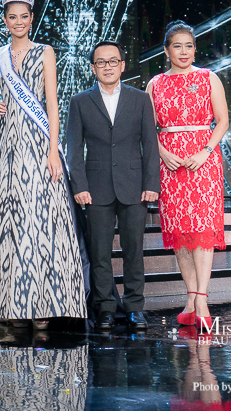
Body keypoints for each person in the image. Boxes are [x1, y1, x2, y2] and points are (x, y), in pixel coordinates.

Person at [0, 0, 86, 330]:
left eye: (24, 17)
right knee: (11, 219)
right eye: (12, 17)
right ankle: (16, 303)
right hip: (5, 144)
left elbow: (52, 103)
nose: (18, 22)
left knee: (41, 218)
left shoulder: (45, 51)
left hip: (37, 140)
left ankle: (45, 302)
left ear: (32, 19)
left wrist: (53, 149)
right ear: (4, 20)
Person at [65, 40, 160, 331]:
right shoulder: (80, 101)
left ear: (122, 65)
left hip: (134, 186)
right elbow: (73, 148)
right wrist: (79, 185)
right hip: (95, 188)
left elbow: (150, 144)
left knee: (134, 251)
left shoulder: (140, 99)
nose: (107, 67)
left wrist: (151, 183)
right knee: (99, 253)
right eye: (101, 62)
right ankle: (105, 308)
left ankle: (134, 308)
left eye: (113, 61)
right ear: (93, 68)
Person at [147, 20, 229, 332]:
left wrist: (205, 151)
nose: (184, 51)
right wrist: (162, 153)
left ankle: (202, 301)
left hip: (203, 161)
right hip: (170, 164)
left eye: (189, 46)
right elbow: (147, 127)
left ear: (195, 49)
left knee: (203, 230)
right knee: (181, 234)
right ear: (166, 51)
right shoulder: (155, 84)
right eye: (177, 46)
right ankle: (191, 299)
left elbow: (222, 121)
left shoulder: (209, 78)